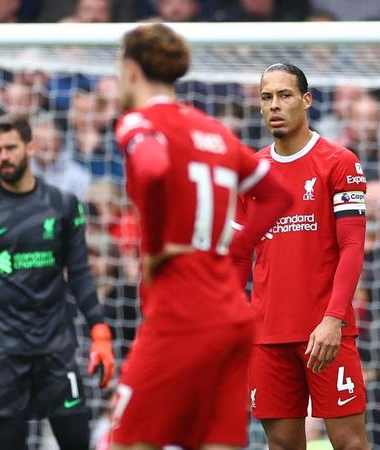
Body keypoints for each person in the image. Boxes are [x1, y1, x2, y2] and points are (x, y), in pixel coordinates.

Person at [110, 23, 292, 450]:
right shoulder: (212, 130)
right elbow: (275, 195)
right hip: (231, 314)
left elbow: (152, 167)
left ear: (132, 71)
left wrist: (155, 248)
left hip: (180, 312)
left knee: (127, 439)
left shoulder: (138, 122)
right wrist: (234, 251)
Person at [0, 114, 115, 450]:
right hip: (1, 346)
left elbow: (80, 272)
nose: (4, 156)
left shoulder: (62, 204)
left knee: (76, 439)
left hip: (54, 342)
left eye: (10, 148)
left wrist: (99, 330)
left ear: (30, 147)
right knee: (9, 441)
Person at [233, 63, 370, 450]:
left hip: (325, 331)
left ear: (306, 100)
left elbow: (352, 247)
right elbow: (242, 257)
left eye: (285, 95)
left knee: (350, 443)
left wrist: (333, 319)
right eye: (266, 97)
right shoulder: (252, 171)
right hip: (267, 334)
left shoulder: (339, 162)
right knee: (281, 445)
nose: (274, 105)